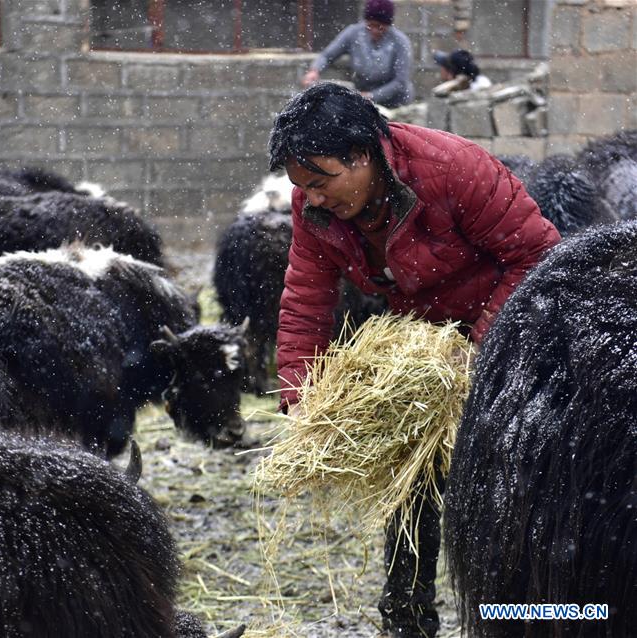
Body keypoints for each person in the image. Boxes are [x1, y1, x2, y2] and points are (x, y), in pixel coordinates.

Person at [268, 83, 561, 637]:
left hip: (507, 333)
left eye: (321, 182)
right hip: (422, 343)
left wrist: (478, 347)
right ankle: (407, 615)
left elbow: (539, 254)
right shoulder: (315, 209)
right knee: (411, 469)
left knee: (509, 484)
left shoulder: (453, 169)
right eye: (302, 187)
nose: (313, 199)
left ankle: (525, 614)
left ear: (362, 155)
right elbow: (306, 296)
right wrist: (299, 397)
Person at [301, 0, 413, 108]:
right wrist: (315, 70)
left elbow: (400, 82)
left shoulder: (400, 42)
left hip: (393, 102)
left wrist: (371, 96)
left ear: (388, 25)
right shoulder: (354, 33)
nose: (374, 30)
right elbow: (327, 55)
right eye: (370, 25)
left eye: (379, 26)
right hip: (362, 98)